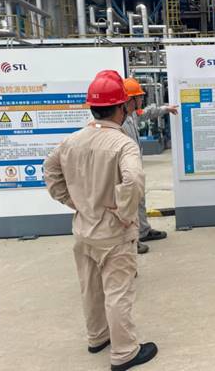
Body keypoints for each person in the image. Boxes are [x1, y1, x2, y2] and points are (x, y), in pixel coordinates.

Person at [44, 70, 157, 371]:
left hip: (84, 228)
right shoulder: (123, 144)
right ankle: (124, 352)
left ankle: (97, 337)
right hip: (113, 233)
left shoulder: (72, 140)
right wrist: (125, 214)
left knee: (91, 288)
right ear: (121, 107)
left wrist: (73, 202)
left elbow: (50, 171)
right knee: (118, 292)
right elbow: (133, 180)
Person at [121, 77, 178, 255]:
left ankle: (143, 231)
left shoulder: (131, 115)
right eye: (139, 96)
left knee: (139, 199)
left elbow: (146, 113)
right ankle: (131, 240)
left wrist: (165, 109)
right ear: (130, 99)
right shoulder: (120, 121)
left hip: (135, 167)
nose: (142, 99)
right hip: (125, 170)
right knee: (129, 204)